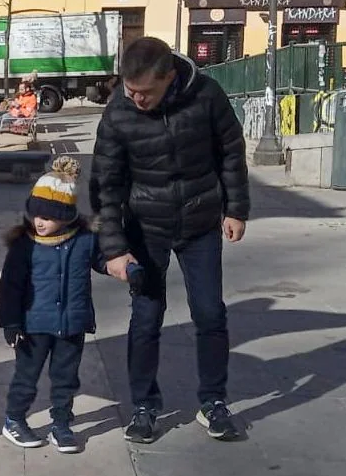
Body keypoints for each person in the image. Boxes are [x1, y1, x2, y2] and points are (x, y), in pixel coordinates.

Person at [90, 36, 251, 444]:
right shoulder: (118, 113)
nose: (138, 100)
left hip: (199, 222)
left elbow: (231, 150)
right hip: (146, 227)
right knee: (146, 318)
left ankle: (213, 402)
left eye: (146, 93)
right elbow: (105, 184)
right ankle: (144, 406)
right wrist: (115, 248)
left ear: (171, 77)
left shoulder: (206, 95)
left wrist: (236, 209)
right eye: (131, 91)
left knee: (210, 313)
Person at [0, 156, 106, 454]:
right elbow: (10, 287)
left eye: (49, 216)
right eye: (36, 214)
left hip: (72, 323)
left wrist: (125, 267)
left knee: (66, 378)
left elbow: (103, 262)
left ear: (68, 215)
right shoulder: (24, 245)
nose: (40, 222)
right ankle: (14, 419)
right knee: (26, 377)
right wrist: (10, 323)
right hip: (33, 327)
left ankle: (61, 423)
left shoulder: (84, 240)